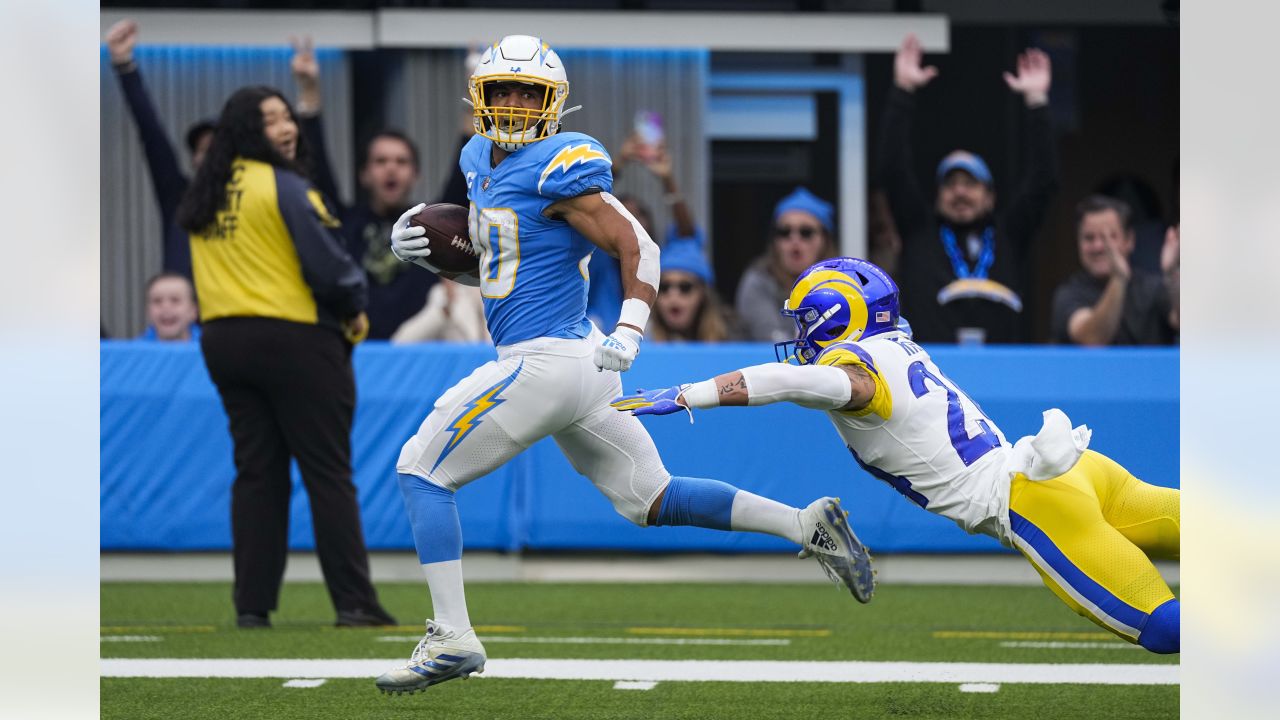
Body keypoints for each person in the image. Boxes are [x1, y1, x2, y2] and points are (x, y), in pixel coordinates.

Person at [375, 34, 874, 695]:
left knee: (420, 470)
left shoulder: (561, 162)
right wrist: (437, 257)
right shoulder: (475, 157)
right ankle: (803, 524)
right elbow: (509, 266)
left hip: (549, 360)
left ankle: (452, 635)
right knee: (651, 497)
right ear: (482, 97)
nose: (519, 105)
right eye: (506, 91)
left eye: (532, 93)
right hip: (577, 368)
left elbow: (637, 244)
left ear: (554, 104)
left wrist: (632, 327)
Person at [613, 257, 1180, 654]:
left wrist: (693, 393)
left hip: (1037, 502)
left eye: (803, 322)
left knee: (1164, 627)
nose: (798, 335)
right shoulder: (896, 343)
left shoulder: (856, 374)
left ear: (831, 318)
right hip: (1080, 469)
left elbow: (791, 381)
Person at [176, 85, 395, 630]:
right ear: (250, 131)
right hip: (295, 341)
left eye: (288, 117)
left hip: (224, 342)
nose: (287, 127)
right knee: (328, 473)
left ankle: (252, 607)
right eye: (271, 120)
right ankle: (354, 603)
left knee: (257, 475)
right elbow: (330, 267)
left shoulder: (204, 192)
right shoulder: (285, 184)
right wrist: (353, 305)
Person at [877, 34, 1058, 344]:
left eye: (970, 184)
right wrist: (902, 91)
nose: (960, 192)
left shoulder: (1009, 234)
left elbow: (1044, 180)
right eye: (951, 184)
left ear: (990, 197)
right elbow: (892, 169)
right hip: (931, 372)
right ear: (938, 195)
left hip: (1006, 373)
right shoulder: (919, 230)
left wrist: (1037, 102)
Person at [289, 38, 441, 340]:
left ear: (415, 174)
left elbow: (461, 181)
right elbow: (316, 166)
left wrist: (474, 104)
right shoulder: (344, 224)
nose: (391, 168)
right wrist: (309, 92)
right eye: (381, 161)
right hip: (356, 351)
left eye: (401, 161)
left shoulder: (435, 230)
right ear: (364, 174)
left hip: (419, 356)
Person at [105, 19, 214, 278]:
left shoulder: (256, 198)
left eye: (214, 150)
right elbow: (152, 135)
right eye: (200, 151)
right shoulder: (179, 196)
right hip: (180, 314)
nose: (206, 158)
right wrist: (124, 67)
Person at [586, 135, 701, 331]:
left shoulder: (664, 262)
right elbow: (587, 202)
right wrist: (617, 165)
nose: (630, 221)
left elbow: (687, 236)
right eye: (624, 214)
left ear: (649, 223)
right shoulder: (596, 258)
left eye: (638, 214)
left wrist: (667, 179)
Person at [1051, 196, 1179, 346]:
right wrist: (1118, 279)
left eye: (1110, 237)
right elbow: (1092, 339)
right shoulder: (1069, 293)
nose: (1098, 246)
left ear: (1129, 240)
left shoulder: (1153, 287)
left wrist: (1172, 274)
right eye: (1089, 238)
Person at [735, 187, 838, 342]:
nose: (794, 240)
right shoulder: (758, 281)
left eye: (806, 232)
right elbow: (772, 342)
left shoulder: (842, 284)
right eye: (784, 232)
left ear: (825, 240)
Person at [649, 239, 739, 343]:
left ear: (703, 293)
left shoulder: (733, 339)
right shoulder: (637, 340)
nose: (673, 296)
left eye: (685, 287)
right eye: (664, 287)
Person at [391, 279, 490, 344]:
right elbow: (401, 341)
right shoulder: (442, 293)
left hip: (496, 369)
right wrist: (444, 310)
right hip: (461, 370)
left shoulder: (499, 290)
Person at [136, 272, 200, 342]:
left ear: (193, 311)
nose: (166, 307)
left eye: (175, 300)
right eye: (157, 301)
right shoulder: (134, 351)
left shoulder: (211, 348)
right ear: (148, 311)